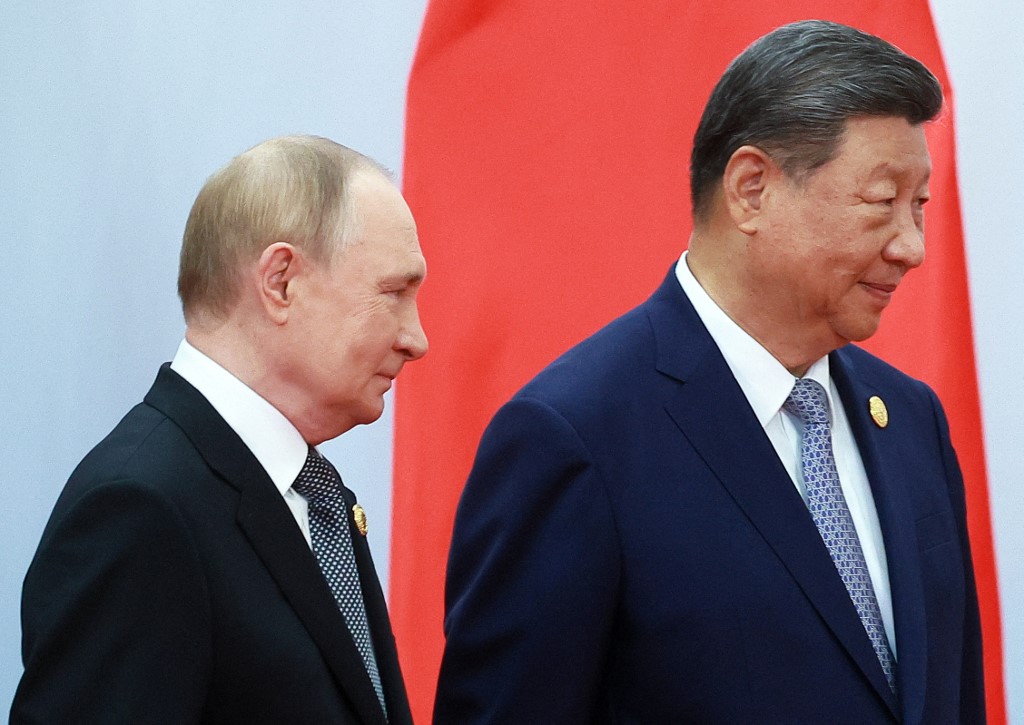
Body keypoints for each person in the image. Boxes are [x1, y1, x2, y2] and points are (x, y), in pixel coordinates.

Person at [434, 20, 984, 724]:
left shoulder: (910, 419)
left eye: (920, 206)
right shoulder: (576, 436)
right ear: (751, 188)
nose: (912, 246)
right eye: (882, 202)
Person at [11, 135, 427, 724]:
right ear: (280, 282)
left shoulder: (309, 490)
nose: (417, 339)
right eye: (393, 293)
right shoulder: (140, 509)